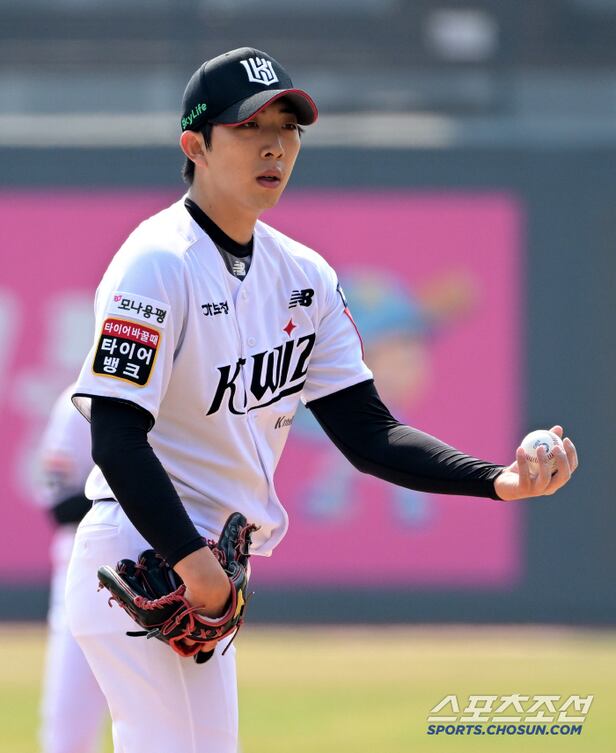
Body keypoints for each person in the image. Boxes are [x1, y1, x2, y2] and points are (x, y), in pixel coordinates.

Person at [65, 47, 578, 753]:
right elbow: (116, 437)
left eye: (288, 127)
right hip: (144, 554)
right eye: (248, 126)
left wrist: (498, 480)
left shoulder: (303, 276)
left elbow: (368, 432)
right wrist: (191, 561)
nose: (274, 145)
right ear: (195, 146)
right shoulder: (156, 262)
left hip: (199, 568)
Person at [36, 383, 107, 753]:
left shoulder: (179, 395)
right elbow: (60, 505)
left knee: (185, 731)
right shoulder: (76, 402)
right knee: (68, 733)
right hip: (83, 581)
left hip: (163, 580)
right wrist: (136, 484)